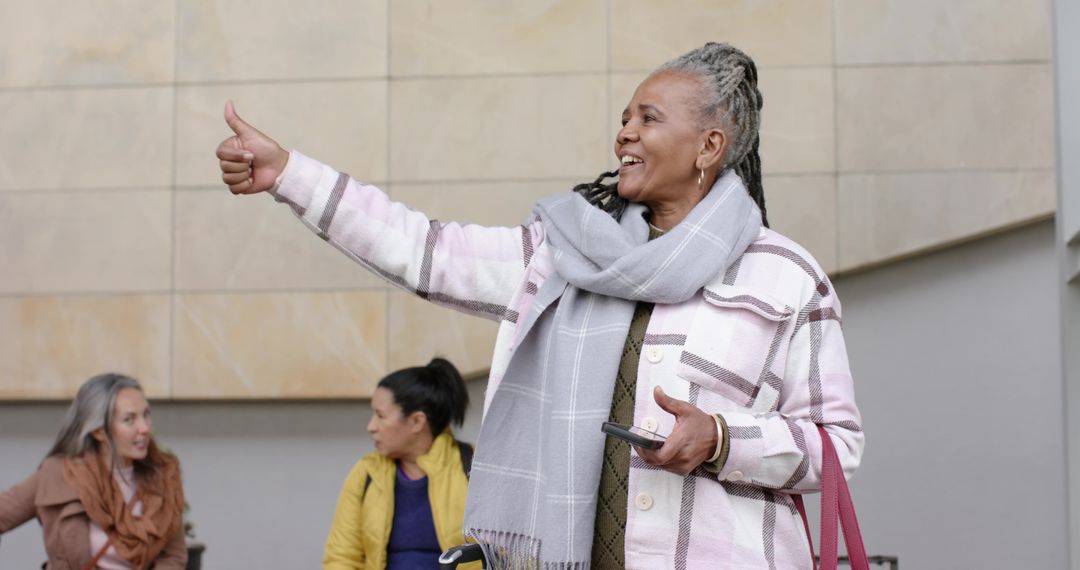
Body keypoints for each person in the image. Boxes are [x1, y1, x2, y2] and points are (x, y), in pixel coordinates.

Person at [217, 42, 863, 569]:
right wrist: (290, 177)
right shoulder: (563, 255)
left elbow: (838, 446)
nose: (624, 134)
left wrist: (722, 439)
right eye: (624, 118)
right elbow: (423, 251)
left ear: (710, 146)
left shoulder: (785, 277)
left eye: (648, 118)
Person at [0, 373, 187, 569]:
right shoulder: (58, 474)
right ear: (99, 431)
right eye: (129, 419)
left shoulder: (163, 477)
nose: (145, 428)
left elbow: (173, 557)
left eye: (146, 414)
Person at [323, 358, 476, 569]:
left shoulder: (474, 467)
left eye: (380, 416)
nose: (371, 426)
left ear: (417, 421)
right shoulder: (366, 472)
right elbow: (342, 557)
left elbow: (505, 553)